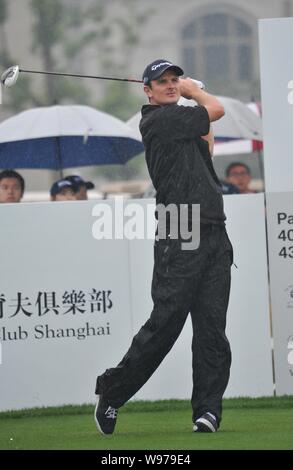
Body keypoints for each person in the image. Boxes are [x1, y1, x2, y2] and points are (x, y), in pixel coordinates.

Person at [94, 59, 233, 435]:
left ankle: (208, 412)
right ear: (148, 90)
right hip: (180, 225)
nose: (171, 85)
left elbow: (207, 145)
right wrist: (194, 93)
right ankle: (111, 391)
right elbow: (217, 110)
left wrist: (193, 101)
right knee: (166, 325)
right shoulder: (158, 119)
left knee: (212, 329)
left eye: (175, 80)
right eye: (163, 82)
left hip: (213, 229)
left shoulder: (182, 119)